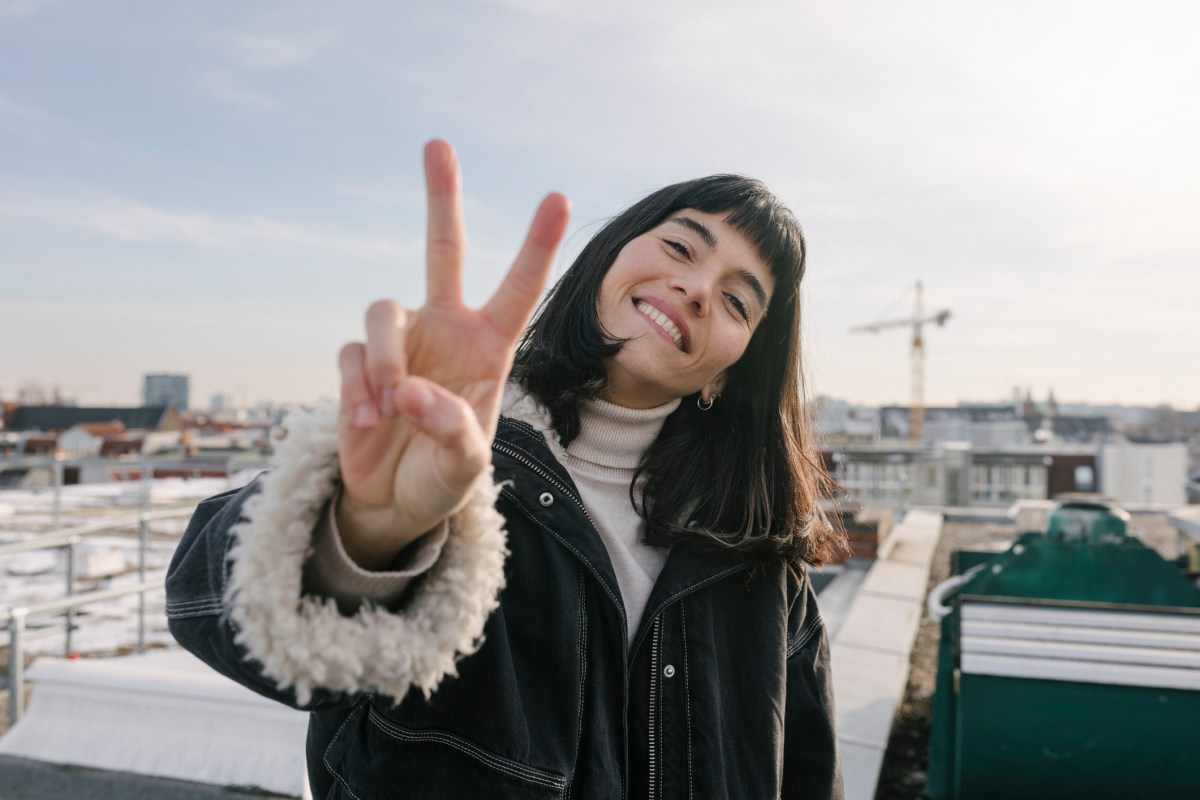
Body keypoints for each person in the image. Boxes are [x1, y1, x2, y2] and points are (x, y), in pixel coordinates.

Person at [166, 140, 845, 799]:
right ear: (607, 260)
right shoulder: (461, 452)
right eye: (679, 246)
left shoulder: (756, 561)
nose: (697, 287)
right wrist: (369, 528)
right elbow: (210, 605)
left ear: (730, 373)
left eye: (737, 301)